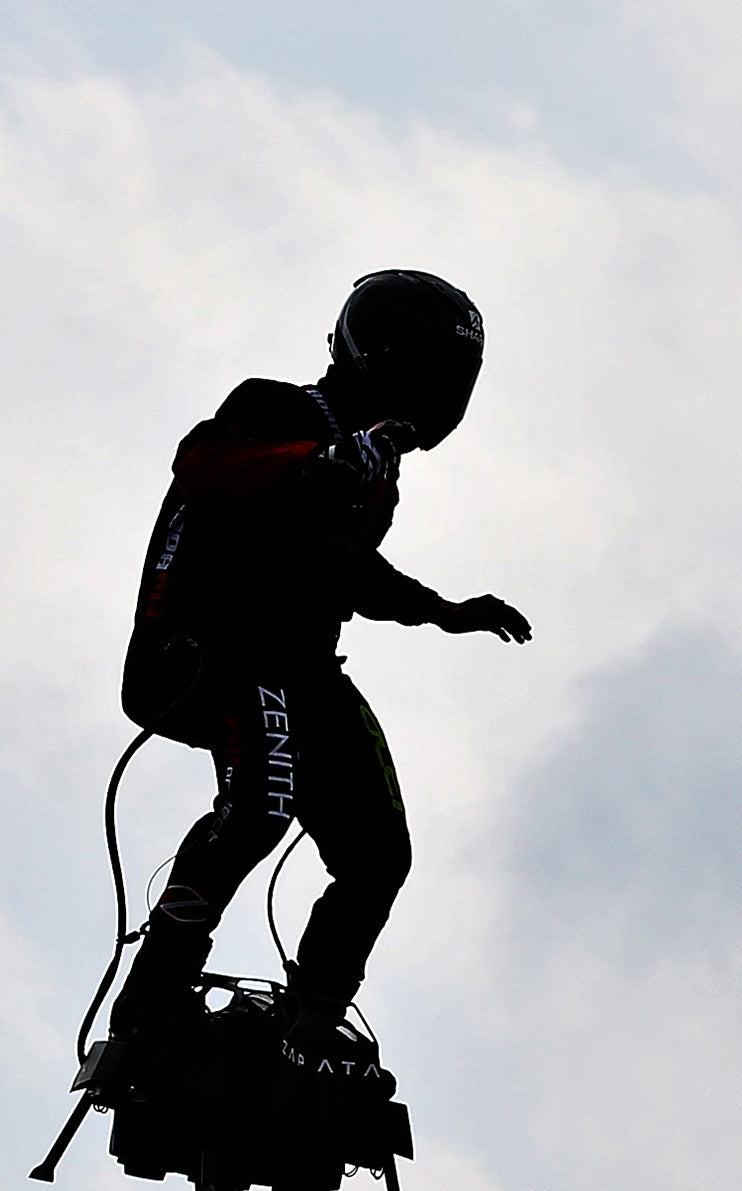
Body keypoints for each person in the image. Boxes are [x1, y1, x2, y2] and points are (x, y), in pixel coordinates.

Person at [109, 269, 531, 1055]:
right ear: (377, 359)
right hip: (206, 653)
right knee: (262, 806)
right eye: (424, 373)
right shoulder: (280, 407)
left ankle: (309, 1022)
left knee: (379, 856)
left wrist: (446, 611)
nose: (434, 398)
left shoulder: (377, 475)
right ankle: (152, 997)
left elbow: (347, 571)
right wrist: (322, 457)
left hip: (297, 668)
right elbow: (199, 463)